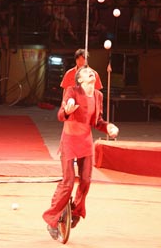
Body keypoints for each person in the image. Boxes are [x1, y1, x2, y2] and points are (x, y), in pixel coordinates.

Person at [42, 65, 119, 239]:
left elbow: (97, 122)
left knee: (85, 180)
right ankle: (51, 219)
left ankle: (76, 211)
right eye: (85, 72)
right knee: (68, 181)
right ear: (80, 79)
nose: (90, 72)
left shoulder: (98, 96)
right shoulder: (72, 91)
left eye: (92, 71)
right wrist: (67, 110)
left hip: (85, 141)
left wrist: (109, 127)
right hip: (69, 140)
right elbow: (61, 115)